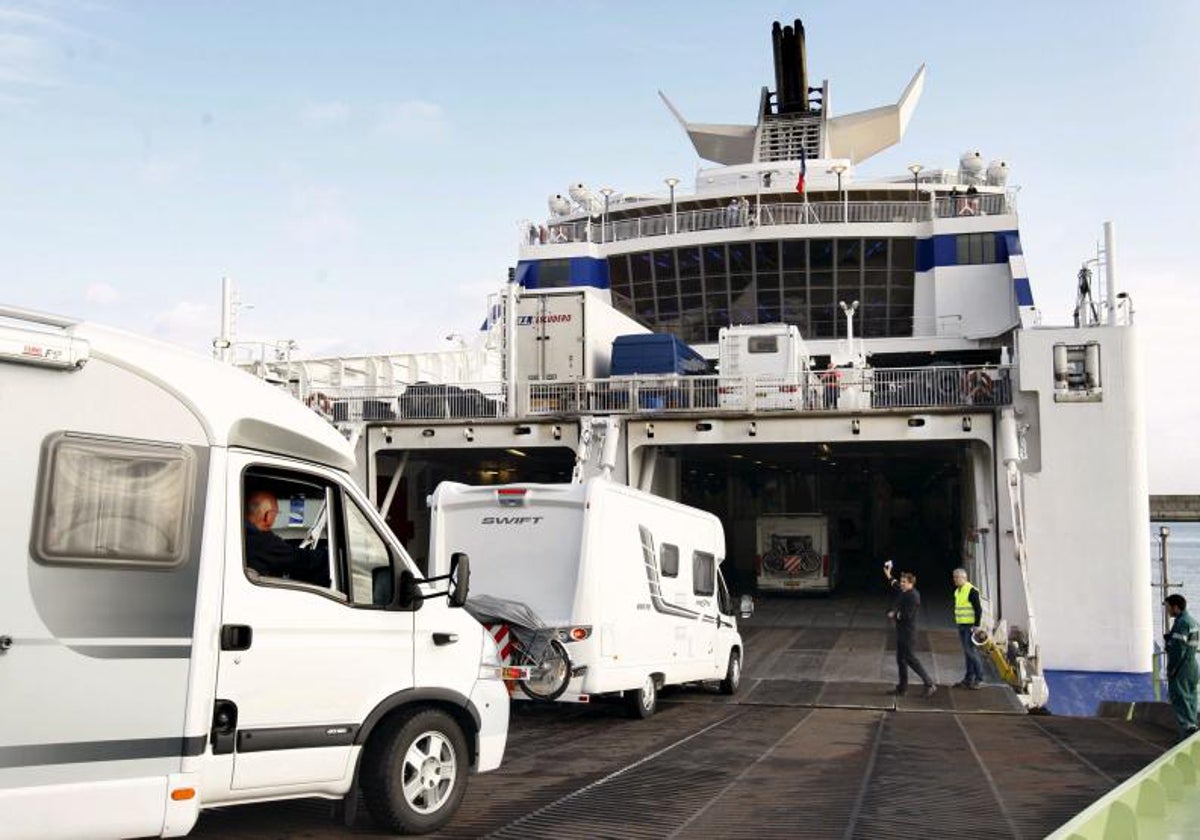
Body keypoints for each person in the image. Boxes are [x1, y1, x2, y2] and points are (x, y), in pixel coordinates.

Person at [244, 490, 331, 587]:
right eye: (275, 512)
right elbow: (301, 560)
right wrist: (328, 553)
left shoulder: (244, 534)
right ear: (267, 516)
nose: (275, 517)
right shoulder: (263, 540)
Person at [883, 562, 937, 698]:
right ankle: (902, 687)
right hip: (902, 632)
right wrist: (888, 573)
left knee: (910, 658)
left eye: (904, 582)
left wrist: (893, 614)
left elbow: (907, 615)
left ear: (910, 583)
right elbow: (894, 584)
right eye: (901, 581)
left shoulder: (913, 596)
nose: (901, 583)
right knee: (900, 659)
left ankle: (929, 683)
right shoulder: (904, 591)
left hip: (908, 633)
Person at [1164, 594, 1199, 740]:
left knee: (1180, 699)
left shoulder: (1181, 623)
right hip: (1192, 666)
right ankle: (1193, 729)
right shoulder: (1192, 621)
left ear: (1176, 607)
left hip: (1181, 668)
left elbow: (1178, 650)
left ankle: (1187, 734)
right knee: (1191, 698)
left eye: (1168, 607)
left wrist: (1171, 669)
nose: (1167, 610)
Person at [951, 568, 985, 689]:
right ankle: (968, 679)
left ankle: (979, 679)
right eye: (954, 577)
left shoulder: (971, 591)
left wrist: (976, 626)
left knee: (971, 652)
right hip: (962, 625)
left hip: (970, 627)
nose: (954, 579)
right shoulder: (958, 591)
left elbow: (978, 610)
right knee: (967, 653)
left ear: (964, 578)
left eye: (957, 577)